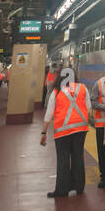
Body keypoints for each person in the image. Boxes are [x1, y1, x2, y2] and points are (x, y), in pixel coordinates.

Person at [40, 68, 89, 197]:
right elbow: (88, 107)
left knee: (63, 159)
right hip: (81, 129)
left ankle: (62, 190)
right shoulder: (82, 88)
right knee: (78, 157)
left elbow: (49, 114)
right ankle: (79, 187)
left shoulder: (56, 91)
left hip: (63, 131)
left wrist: (43, 133)